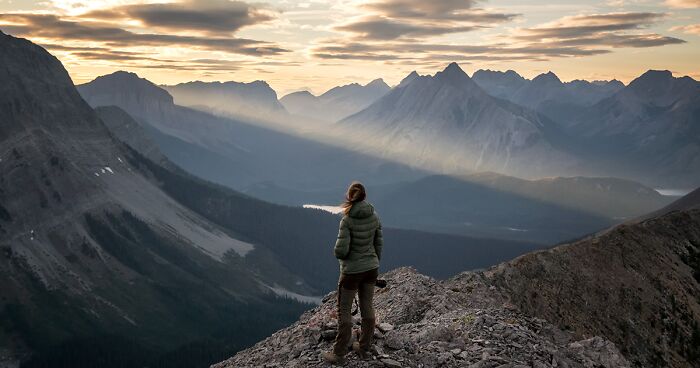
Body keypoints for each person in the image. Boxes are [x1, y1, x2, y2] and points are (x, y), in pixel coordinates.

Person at [322, 182, 383, 364]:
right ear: (364, 196)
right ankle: (363, 347)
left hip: (351, 273)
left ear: (349, 197)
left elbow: (340, 251)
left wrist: (345, 259)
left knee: (344, 312)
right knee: (367, 308)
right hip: (371, 269)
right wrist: (373, 262)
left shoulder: (347, 220)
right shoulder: (374, 216)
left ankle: (338, 354)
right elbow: (378, 244)